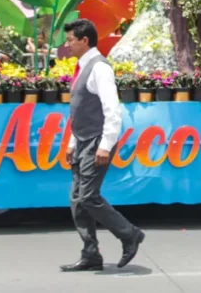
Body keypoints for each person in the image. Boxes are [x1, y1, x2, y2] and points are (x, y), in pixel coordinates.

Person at [61, 19, 145, 272]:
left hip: (97, 140)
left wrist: (106, 145)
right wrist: (72, 142)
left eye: (70, 40)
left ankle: (129, 234)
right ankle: (90, 253)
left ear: (85, 40)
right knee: (77, 199)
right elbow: (81, 110)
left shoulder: (99, 68)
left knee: (88, 196)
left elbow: (112, 110)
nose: (67, 45)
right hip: (83, 139)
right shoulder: (82, 67)